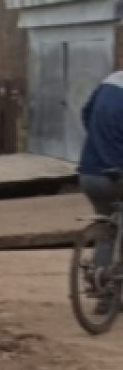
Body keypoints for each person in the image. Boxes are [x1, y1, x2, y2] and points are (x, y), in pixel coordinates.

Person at [78, 68, 123, 284]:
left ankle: (100, 279)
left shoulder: (109, 82)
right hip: (115, 174)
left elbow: (86, 113)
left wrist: (100, 144)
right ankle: (110, 286)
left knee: (107, 228)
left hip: (88, 172)